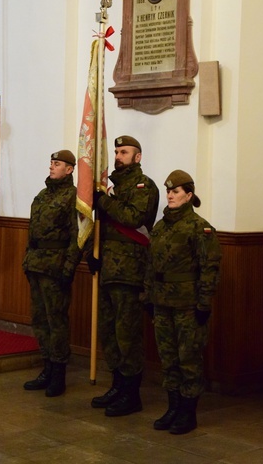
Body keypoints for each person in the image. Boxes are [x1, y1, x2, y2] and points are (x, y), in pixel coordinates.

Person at [143, 170, 221, 434]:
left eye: (176, 192)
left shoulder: (200, 227)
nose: (170, 196)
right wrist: (148, 297)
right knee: (168, 358)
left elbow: (209, 268)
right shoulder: (160, 227)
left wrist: (204, 303)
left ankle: (188, 412)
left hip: (187, 304)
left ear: (189, 195)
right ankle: (173, 407)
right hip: (162, 302)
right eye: (169, 192)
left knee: (188, 358)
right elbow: (151, 265)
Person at [87, 135, 159, 417]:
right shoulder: (110, 187)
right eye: (116, 151)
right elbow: (101, 230)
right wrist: (92, 257)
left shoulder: (144, 186)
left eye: (124, 151)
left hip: (129, 271)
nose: (118, 156)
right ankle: (117, 385)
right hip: (108, 269)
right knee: (109, 333)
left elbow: (132, 219)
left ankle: (132, 393)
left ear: (137, 157)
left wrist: (104, 202)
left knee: (127, 334)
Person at [22, 149, 81, 397]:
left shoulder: (73, 197)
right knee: (40, 319)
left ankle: (58, 374)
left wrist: (68, 268)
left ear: (69, 169)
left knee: (56, 321)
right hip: (35, 265)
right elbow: (32, 231)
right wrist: (27, 260)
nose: (51, 167)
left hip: (55, 268)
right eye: (51, 163)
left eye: (57, 164)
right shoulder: (42, 195)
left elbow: (77, 235)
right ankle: (46, 367)